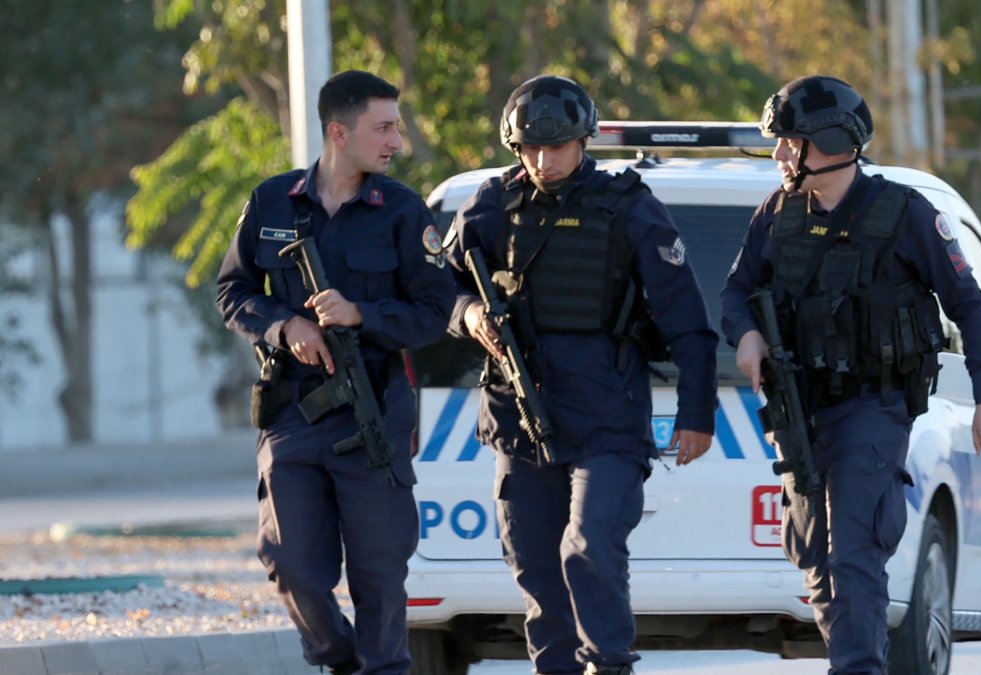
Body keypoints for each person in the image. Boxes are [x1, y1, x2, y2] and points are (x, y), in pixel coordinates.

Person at [720, 75, 981, 674]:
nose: (778, 156)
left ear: (826, 142)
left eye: (788, 142)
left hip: (872, 409)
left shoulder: (906, 214)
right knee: (817, 560)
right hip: (799, 408)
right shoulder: (777, 213)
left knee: (854, 549)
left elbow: (968, 304)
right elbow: (736, 291)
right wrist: (747, 336)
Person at [443, 74, 719, 675]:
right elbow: (439, 285)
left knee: (588, 545)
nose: (544, 161)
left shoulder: (628, 207)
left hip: (607, 418)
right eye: (531, 149)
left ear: (584, 139)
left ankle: (608, 664)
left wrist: (698, 414)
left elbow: (688, 322)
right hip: (520, 418)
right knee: (537, 568)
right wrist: (469, 316)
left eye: (558, 147)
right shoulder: (492, 205)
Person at [215, 70, 454, 675]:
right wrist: (282, 326)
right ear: (338, 132)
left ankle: (383, 669)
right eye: (384, 127)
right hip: (293, 412)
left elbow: (434, 312)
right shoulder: (272, 201)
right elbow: (233, 290)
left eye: (395, 126)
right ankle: (338, 659)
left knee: (378, 571)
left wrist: (361, 314)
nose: (396, 141)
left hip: (372, 411)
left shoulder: (402, 211)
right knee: (289, 561)